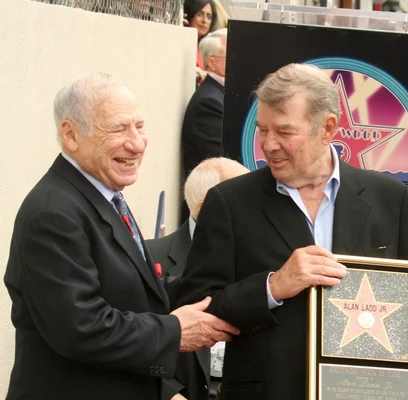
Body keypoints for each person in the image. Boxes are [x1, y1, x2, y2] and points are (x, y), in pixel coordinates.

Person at [174, 63, 408, 400]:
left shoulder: (391, 200)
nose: (269, 145)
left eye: (285, 132)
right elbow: (196, 309)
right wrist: (272, 286)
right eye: (262, 130)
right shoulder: (230, 203)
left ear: (328, 128)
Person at [3, 73, 239, 400]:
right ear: (70, 135)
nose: (137, 143)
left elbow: (134, 294)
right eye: (118, 128)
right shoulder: (53, 215)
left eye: (140, 126)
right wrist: (176, 332)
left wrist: (235, 292)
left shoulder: (104, 196)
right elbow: (81, 329)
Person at [148, 157, 249, 400]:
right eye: (245, 201)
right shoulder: (148, 261)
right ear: (207, 208)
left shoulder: (270, 261)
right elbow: (130, 341)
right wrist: (168, 393)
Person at [182, 28, 228, 179]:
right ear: (211, 62)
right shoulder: (209, 102)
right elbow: (221, 159)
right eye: (231, 55)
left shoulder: (220, 93)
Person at [184, 0, 218, 83]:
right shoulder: (181, 43)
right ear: (189, 15)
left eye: (209, 17)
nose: (205, 21)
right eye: (200, 14)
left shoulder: (207, 47)